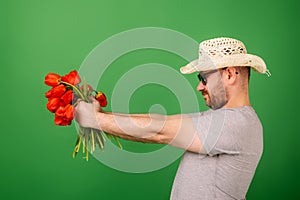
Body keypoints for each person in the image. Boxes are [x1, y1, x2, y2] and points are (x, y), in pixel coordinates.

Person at [75, 37, 270, 200]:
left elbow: (158, 131)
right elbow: (156, 127)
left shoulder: (236, 123)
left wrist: (94, 119)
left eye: (203, 78)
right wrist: (100, 116)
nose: (199, 87)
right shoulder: (218, 119)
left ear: (229, 74)